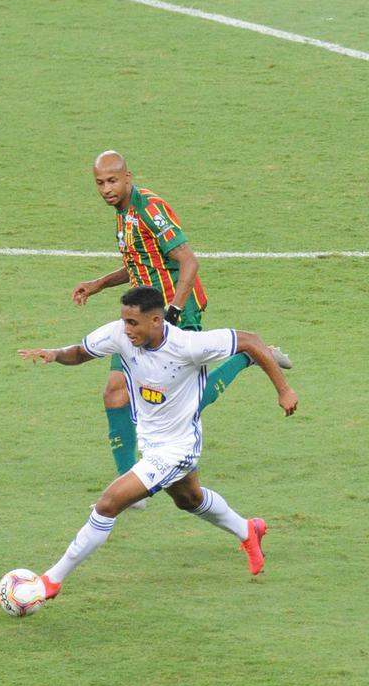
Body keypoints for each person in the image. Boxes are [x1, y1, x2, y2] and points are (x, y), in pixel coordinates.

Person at [18, 285, 298, 601]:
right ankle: (249, 530)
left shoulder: (189, 346)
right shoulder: (121, 335)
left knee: (108, 505)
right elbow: (81, 352)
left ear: (156, 320)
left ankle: (50, 582)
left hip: (178, 447)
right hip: (153, 443)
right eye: (124, 321)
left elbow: (250, 341)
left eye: (133, 323)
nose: (126, 330)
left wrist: (283, 390)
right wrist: (55, 355)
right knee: (189, 499)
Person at [72, 151, 291, 505]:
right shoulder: (124, 214)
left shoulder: (149, 209)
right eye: (100, 183)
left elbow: (188, 260)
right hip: (145, 318)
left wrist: (173, 311)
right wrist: (98, 284)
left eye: (113, 181)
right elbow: (141, 263)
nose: (107, 189)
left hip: (175, 313)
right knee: (115, 391)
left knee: (185, 402)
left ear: (128, 177)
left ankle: (248, 357)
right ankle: (131, 482)